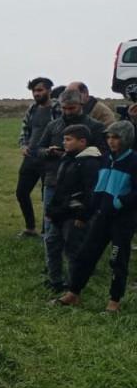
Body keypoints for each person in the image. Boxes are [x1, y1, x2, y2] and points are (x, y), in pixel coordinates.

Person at [58, 120, 137, 313]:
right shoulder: (105, 159)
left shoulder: (134, 161)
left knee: (117, 260)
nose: (111, 141)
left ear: (126, 139)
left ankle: (114, 302)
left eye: (116, 137)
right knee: (86, 255)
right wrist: (86, 214)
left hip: (123, 220)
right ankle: (73, 293)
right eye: (109, 137)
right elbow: (97, 190)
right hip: (102, 217)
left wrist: (120, 203)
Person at [35, 88, 105, 284]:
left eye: (71, 108)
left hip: (81, 189)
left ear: (81, 105)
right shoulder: (53, 126)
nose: (67, 112)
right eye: (64, 108)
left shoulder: (95, 127)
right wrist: (49, 152)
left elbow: (103, 153)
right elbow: (38, 150)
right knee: (51, 233)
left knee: (77, 234)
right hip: (54, 183)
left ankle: (80, 274)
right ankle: (53, 273)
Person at [41, 124, 101, 291]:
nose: (64, 143)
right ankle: (55, 281)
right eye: (64, 139)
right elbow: (60, 188)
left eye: (68, 139)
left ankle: (74, 286)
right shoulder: (67, 159)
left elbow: (91, 193)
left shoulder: (90, 163)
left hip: (74, 216)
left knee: (73, 251)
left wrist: (83, 216)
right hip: (59, 213)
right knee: (51, 243)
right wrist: (51, 210)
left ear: (82, 142)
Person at [15, 77, 57, 237]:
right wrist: (23, 145)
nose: (36, 94)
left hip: (49, 159)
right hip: (31, 157)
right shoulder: (32, 108)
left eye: (40, 90)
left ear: (49, 90)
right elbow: (25, 129)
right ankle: (30, 227)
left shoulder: (57, 108)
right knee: (21, 192)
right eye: (34, 91)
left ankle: (47, 231)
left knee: (47, 197)